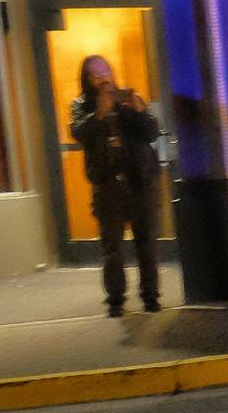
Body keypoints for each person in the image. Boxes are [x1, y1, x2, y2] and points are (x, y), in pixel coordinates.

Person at [70, 55, 165, 316]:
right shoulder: (82, 105)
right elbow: (79, 133)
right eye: (95, 74)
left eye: (106, 72)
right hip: (108, 184)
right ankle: (115, 301)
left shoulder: (125, 101)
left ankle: (151, 297)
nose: (102, 78)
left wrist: (140, 111)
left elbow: (151, 133)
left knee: (147, 243)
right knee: (112, 247)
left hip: (141, 181)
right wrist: (100, 112)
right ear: (86, 79)